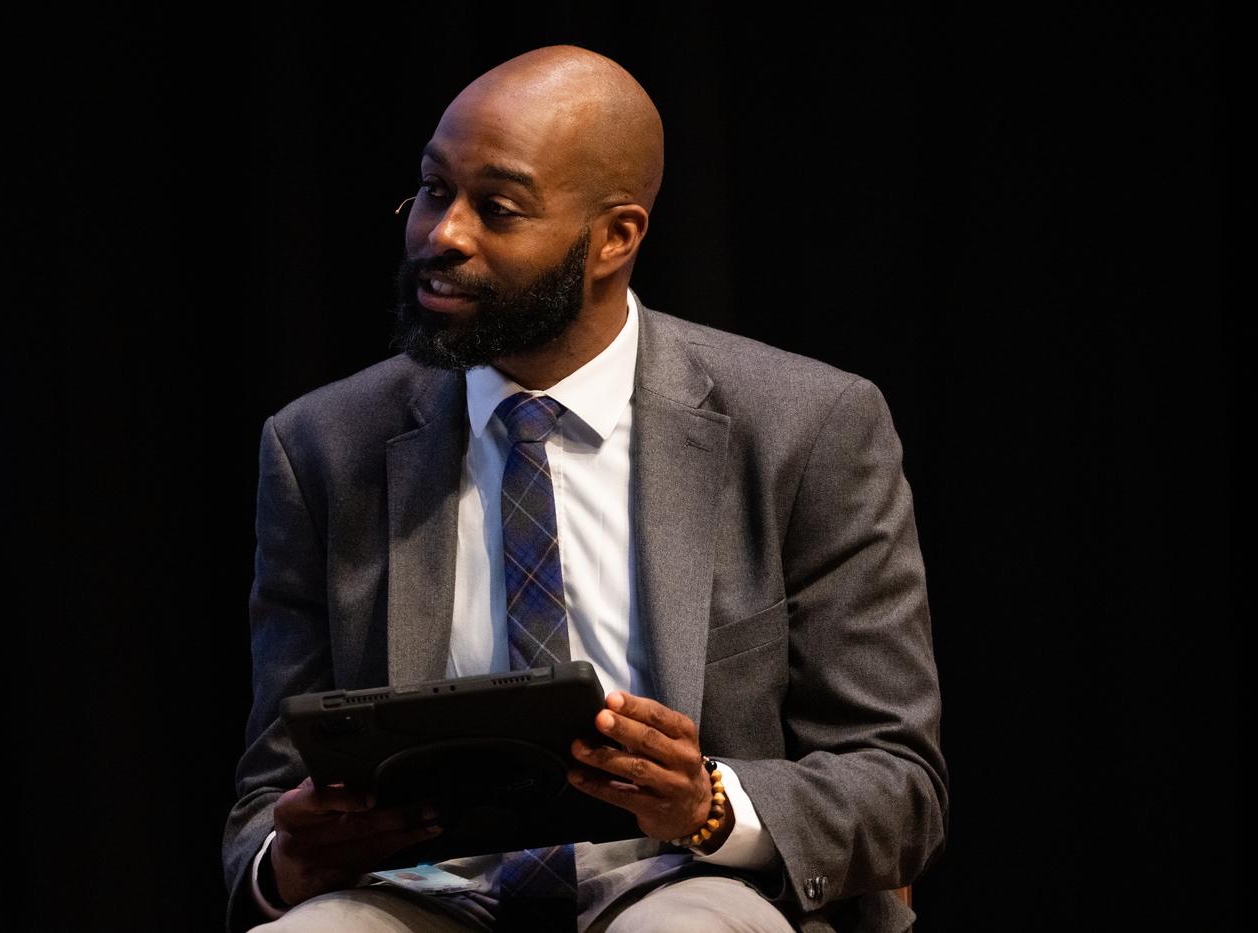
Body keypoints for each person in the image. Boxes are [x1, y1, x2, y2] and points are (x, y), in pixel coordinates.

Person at [223, 45, 947, 933]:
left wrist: (709, 802)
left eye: (497, 208)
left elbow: (897, 780)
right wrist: (286, 859)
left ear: (616, 237)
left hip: (689, 877)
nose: (442, 233)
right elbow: (267, 794)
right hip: (418, 892)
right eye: (434, 190)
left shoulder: (808, 426)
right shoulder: (323, 447)